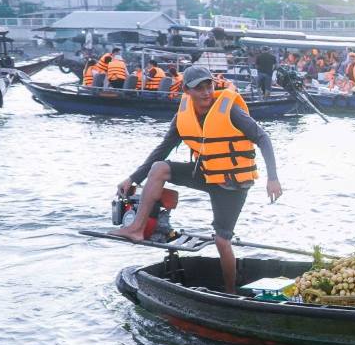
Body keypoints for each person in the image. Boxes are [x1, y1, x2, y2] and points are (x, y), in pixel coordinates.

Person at [109, 65, 282, 294]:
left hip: (233, 183)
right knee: (159, 168)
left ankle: (229, 293)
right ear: (186, 91)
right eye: (198, 88)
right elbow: (162, 150)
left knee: (222, 241)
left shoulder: (230, 110)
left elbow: (263, 137)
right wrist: (132, 178)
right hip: (206, 172)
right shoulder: (183, 116)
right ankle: (137, 228)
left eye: (208, 85)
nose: (205, 92)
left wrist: (273, 178)